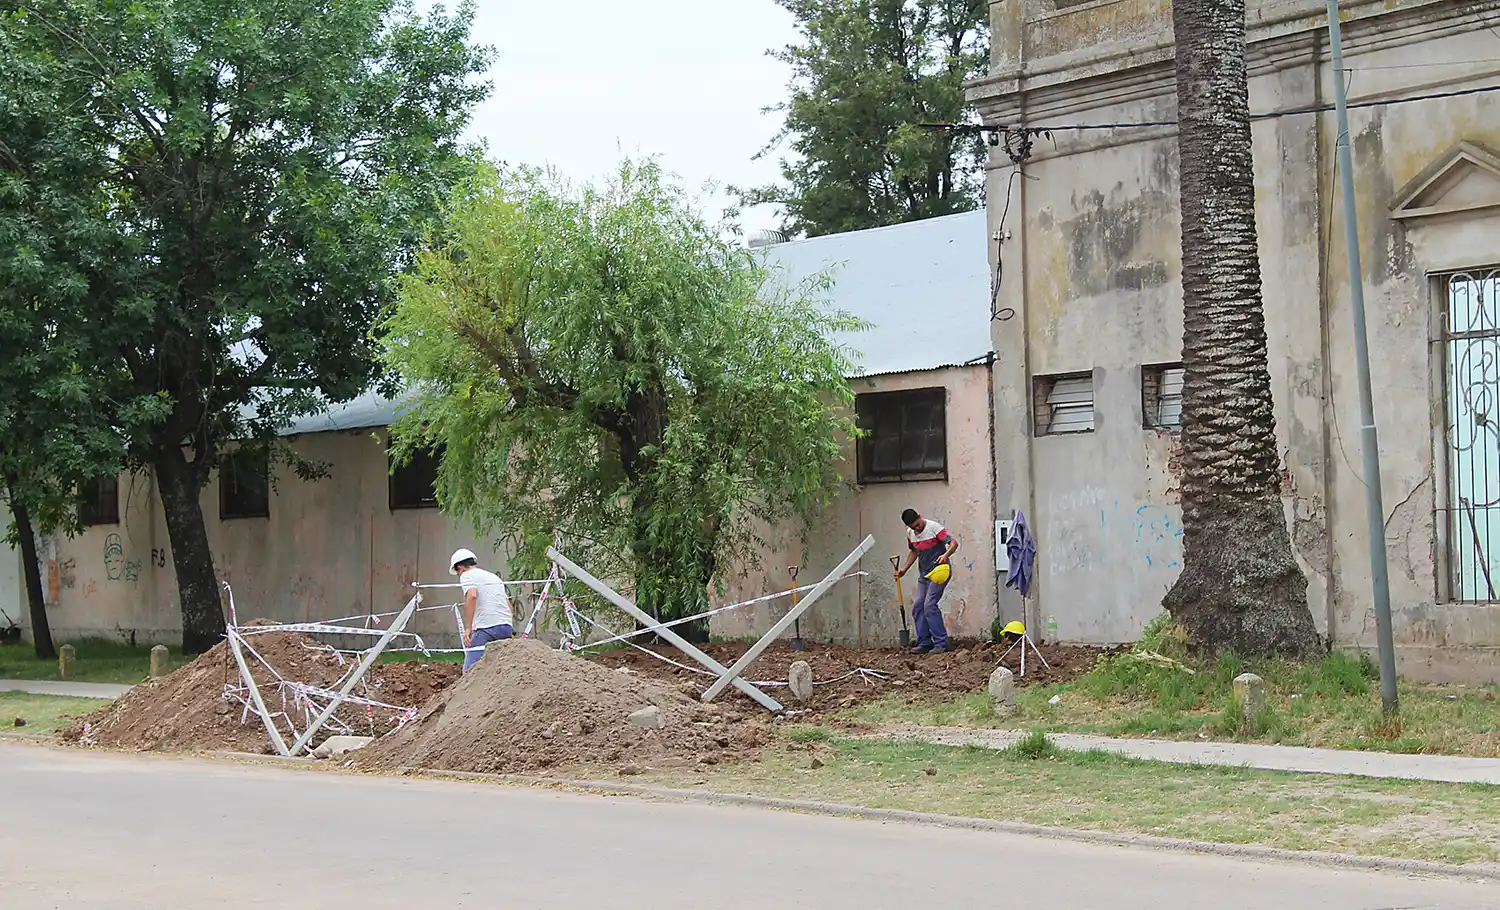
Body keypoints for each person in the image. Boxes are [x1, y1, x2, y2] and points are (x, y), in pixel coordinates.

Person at [894, 508, 958, 654]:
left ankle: (941, 643)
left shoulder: (934, 528)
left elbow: (953, 543)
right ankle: (924, 643)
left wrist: (945, 555)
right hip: (924, 575)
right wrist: (904, 569)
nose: (916, 529)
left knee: (929, 605)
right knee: (918, 606)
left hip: (940, 572)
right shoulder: (910, 534)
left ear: (920, 517)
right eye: (912, 527)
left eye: (917, 525)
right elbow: (914, 551)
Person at [450, 548, 514, 672]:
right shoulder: (493, 577)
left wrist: (468, 628)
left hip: (486, 627)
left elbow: (472, 596)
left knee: (470, 671)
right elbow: (508, 605)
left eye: (458, 573)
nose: (459, 575)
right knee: (497, 669)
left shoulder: (467, 575)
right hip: (506, 627)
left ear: (460, 568)